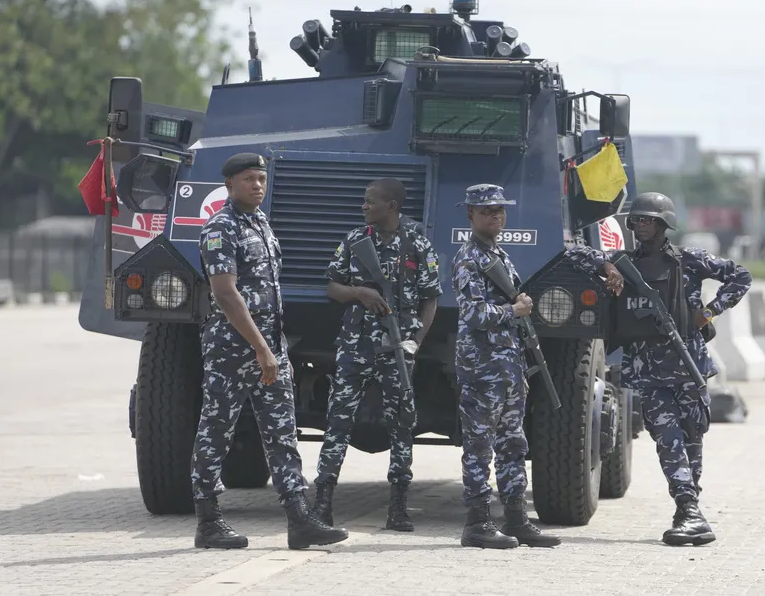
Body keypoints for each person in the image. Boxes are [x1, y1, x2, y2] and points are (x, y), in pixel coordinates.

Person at [563, 192, 752, 546]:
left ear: (665, 224)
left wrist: (709, 312)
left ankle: (690, 512)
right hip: (649, 372)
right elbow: (573, 253)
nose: (642, 226)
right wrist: (607, 267)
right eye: (636, 220)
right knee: (668, 441)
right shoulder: (623, 262)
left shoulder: (688, 261)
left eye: (649, 220)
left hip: (688, 365)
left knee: (692, 440)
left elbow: (740, 276)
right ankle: (687, 507)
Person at [192, 152, 349, 551]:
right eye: (248, 179)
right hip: (233, 348)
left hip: (269, 347)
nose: (257, 185)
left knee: (282, 433)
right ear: (229, 184)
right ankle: (209, 522)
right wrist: (261, 348)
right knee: (217, 430)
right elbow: (225, 293)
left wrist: (272, 347)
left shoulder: (260, 222)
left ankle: (299, 520)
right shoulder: (220, 227)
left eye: (261, 178)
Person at [310, 178, 442, 532]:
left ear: (392, 207)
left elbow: (431, 298)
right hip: (355, 346)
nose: (364, 207)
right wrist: (359, 294)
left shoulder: (417, 244)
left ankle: (398, 507)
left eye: (370, 202)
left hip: (397, 348)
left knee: (402, 424)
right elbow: (332, 287)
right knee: (338, 424)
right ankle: (322, 503)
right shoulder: (355, 240)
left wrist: (416, 341)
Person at [450, 183, 561, 549]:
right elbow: (474, 313)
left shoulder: (498, 255)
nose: (495, 216)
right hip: (482, 366)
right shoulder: (469, 258)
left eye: (499, 210)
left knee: (513, 442)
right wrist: (513, 310)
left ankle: (516, 518)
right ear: (470, 215)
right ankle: (477, 523)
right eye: (486, 211)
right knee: (480, 446)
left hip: (508, 366)